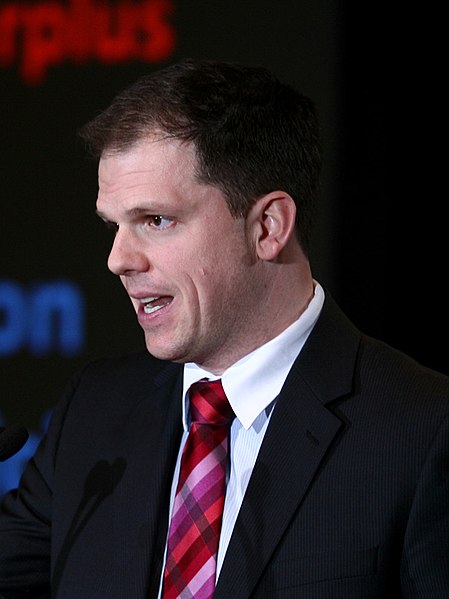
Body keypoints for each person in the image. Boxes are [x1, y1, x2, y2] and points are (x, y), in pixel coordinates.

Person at [0, 58, 448, 599]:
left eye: (155, 221)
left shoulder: (423, 432)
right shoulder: (94, 415)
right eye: (113, 226)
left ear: (267, 227)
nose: (118, 259)